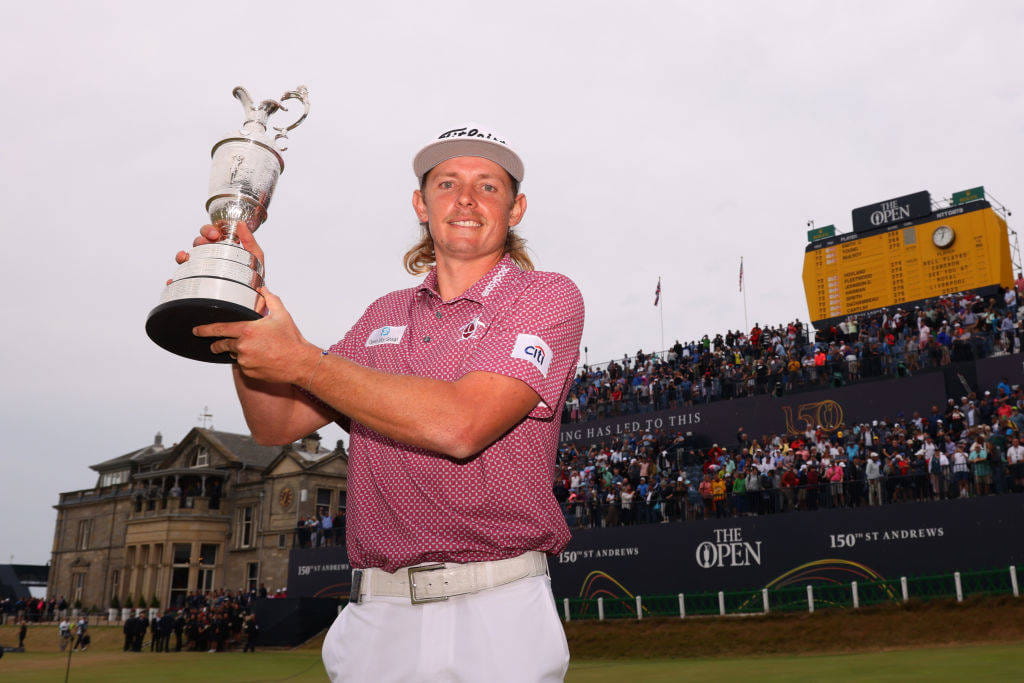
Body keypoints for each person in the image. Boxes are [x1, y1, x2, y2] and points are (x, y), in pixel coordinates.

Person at [182, 126, 583, 681]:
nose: (466, 199)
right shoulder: (383, 315)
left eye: (488, 186)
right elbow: (276, 423)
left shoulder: (545, 296)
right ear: (421, 204)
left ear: (515, 210)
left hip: (497, 607)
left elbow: (463, 425)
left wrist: (302, 360)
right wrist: (242, 300)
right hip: (377, 611)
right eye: (447, 183)